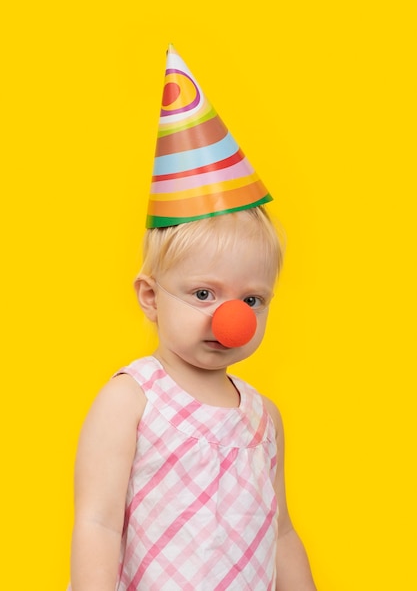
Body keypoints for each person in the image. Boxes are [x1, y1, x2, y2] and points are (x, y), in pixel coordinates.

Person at [69, 45, 316, 591]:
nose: (233, 318)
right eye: (204, 293)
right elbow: (98, 523)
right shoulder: (131, 399)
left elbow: (280, 534)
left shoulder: (263, 416)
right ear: (152, 298)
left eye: (252, 299)